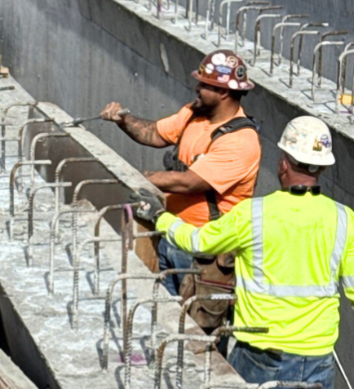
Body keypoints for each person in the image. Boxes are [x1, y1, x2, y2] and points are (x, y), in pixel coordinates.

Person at [133, 116, 354, 389]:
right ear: (321, 168)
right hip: (317, 355)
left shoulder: (254, 213)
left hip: (262, 351)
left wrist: (161, 217)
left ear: (283, 163)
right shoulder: (344, 219)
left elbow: (197, 243)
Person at [101, 49, 261, 295]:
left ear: (223, 92)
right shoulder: (194, 115)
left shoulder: (240, 141)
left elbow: (190, 182)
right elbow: (154, 133)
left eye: (204, 84)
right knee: (162, 314)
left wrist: (138, 179)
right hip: (171, 232)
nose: (196, 87)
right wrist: (123, 120)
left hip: (206, 252)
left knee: (197, 324)